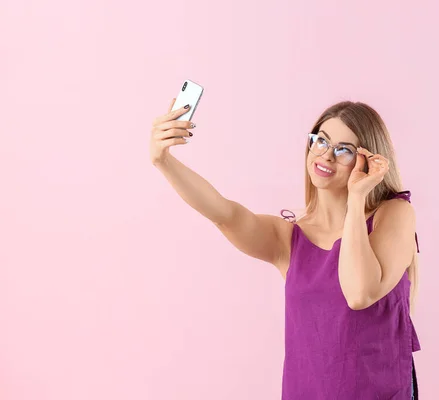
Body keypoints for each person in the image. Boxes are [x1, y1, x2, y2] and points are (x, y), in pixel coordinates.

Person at [150, 99, 421, 400]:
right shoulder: (288, 238)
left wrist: (357, 198)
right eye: (321, 141)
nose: (326, 155)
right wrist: (163, 161)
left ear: (368, 160)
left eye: (344, 150)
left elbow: (359, 294)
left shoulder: (394, 214)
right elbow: (225, 215)